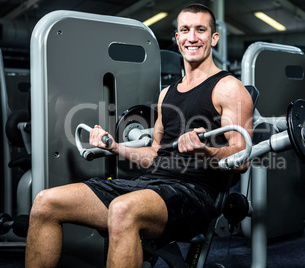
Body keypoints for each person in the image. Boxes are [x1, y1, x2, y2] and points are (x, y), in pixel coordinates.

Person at [25, 3, 253, 267]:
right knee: (46, 202)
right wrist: (115, 148)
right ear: (177, 38)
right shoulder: (167, 93)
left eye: (200, 30)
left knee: (123, 209)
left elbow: (243, 156)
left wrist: (206, 150)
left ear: (213, 38)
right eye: (185, 30)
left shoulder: (229, 88)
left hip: (194, 194)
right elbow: (156, 153)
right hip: (150, 186)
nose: (192, 37)